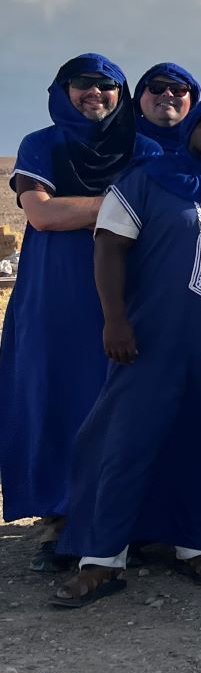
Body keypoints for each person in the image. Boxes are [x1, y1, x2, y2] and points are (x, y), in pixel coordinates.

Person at [51, 98, 201, 607]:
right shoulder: (149, 179)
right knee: (126, 443)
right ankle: (102, 558)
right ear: (193, 130)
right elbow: (108, 246)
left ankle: (197, 544)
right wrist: (115, 318)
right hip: (154, 341)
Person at [0, 55, 160, 573]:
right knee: (59, 398)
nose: (94, 93)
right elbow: (43, 214)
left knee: (121, 407)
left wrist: (92, 206)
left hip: (126, 296)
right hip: (55, 297)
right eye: (82, 84)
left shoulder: (144, 149)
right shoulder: (41, 144)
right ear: (61, 90)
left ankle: (122, 520)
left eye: (107, 85)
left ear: (122, 93)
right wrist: (122, 202)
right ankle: (60, 521)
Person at [132, 62, 200, 150]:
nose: (168, 94)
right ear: (140, 95)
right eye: (156, 87)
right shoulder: (115, 136)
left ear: (192, 101)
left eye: (178, 89)